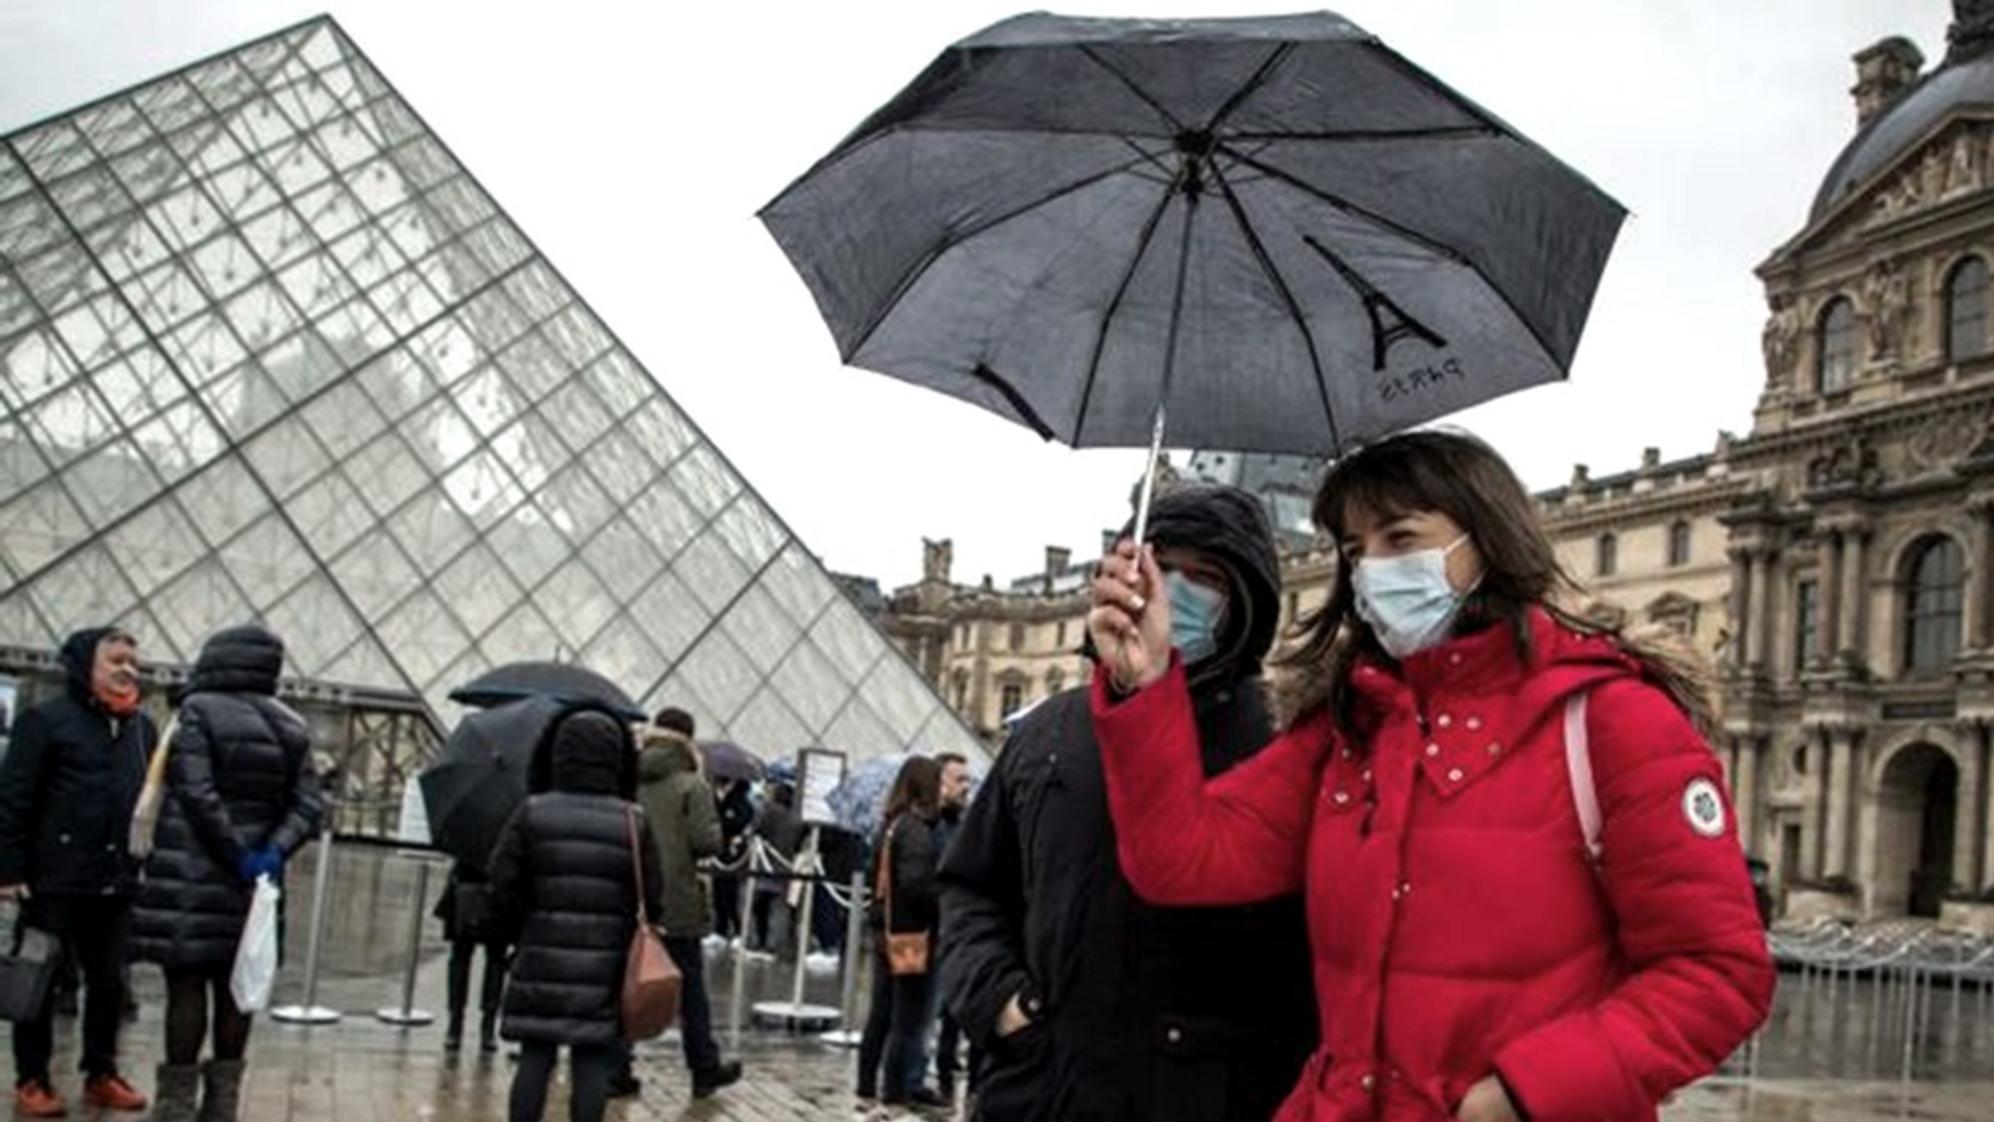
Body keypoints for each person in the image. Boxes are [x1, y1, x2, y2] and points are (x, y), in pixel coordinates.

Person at [1087, 431, 1776, 1122]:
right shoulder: (1346, 729)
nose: (1372, 570)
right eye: (1354, 551)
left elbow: (1720, 972)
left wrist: (1523, 1093)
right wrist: (1144, 685)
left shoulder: (1614, 722)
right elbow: (1179, 859)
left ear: (1486, 540)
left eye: (1400, 538)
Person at [941, 485, 1317, 1122]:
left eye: (1205, 579)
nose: (1174, 595)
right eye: (1161, 569)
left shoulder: (1288, 745)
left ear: (1246, 603)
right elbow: (969, 887)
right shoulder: (1045, 734)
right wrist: (1002, 1004)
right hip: (1041, 1086)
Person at [128, 624, 324, 1122]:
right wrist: (270, 852)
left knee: (187, 986)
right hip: (258, 885)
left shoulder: (196, 712)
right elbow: (309, 805)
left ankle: (174, 1105)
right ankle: (223, 1106)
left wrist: (233, 849)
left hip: (193, 873)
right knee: (239, 989)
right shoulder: (292, 725)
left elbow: (195, 790)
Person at [0, 627, 156, 1117]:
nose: (127, 669)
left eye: (133, 660)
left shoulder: (141, 730)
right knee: (40, 980)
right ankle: (32, 1078)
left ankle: (101, 1072)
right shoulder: (45, 722)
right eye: (115, 660)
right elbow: (13, 801)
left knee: (110, 982)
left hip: (115, 878)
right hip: (54, 878)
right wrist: (9, 870)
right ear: (84, 665)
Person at [489, 704, 663, 1122]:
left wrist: (522, 928)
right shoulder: (632, 821)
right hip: (605, 964)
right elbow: (654, 899)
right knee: (591, 1063)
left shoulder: (533, 811)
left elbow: (502, 882)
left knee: (535, 1058)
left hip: (539, 955)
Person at [635, 707, 743, 1098]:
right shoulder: (690, 783)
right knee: (691, 988)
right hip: (676, 895)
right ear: (688, 740)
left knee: (626, 976)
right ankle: (703, 1067)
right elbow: (706, 842)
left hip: (631, 893)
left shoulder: (626, 774)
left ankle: (615, 1066)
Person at [854, 757, 947, 1109]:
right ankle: (894, 1097)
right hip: (913, 936)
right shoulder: (917, 830)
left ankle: (865, 1089)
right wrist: (943, 897)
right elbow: (916, 886)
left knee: (880, 1015)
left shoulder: (890, 825)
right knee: (907, 1021)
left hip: (886, 932)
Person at [925, 751, 977, 1104]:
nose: (965, 787)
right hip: (935, 929)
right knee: (935, 1007)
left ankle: (949, 1074)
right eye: (959, 780)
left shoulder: (966, 822)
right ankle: (934, 1073)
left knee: (959, 1009)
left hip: (963, 930)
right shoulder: (929, 826)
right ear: (939, 782)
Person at [433, 856, 509, 1054]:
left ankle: (461, 1026)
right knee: (490, 960)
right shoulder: (511, 825)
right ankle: (478, 1026)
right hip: (489, 886)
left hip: (479, 884)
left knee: (482, 959)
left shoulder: (468, 831)